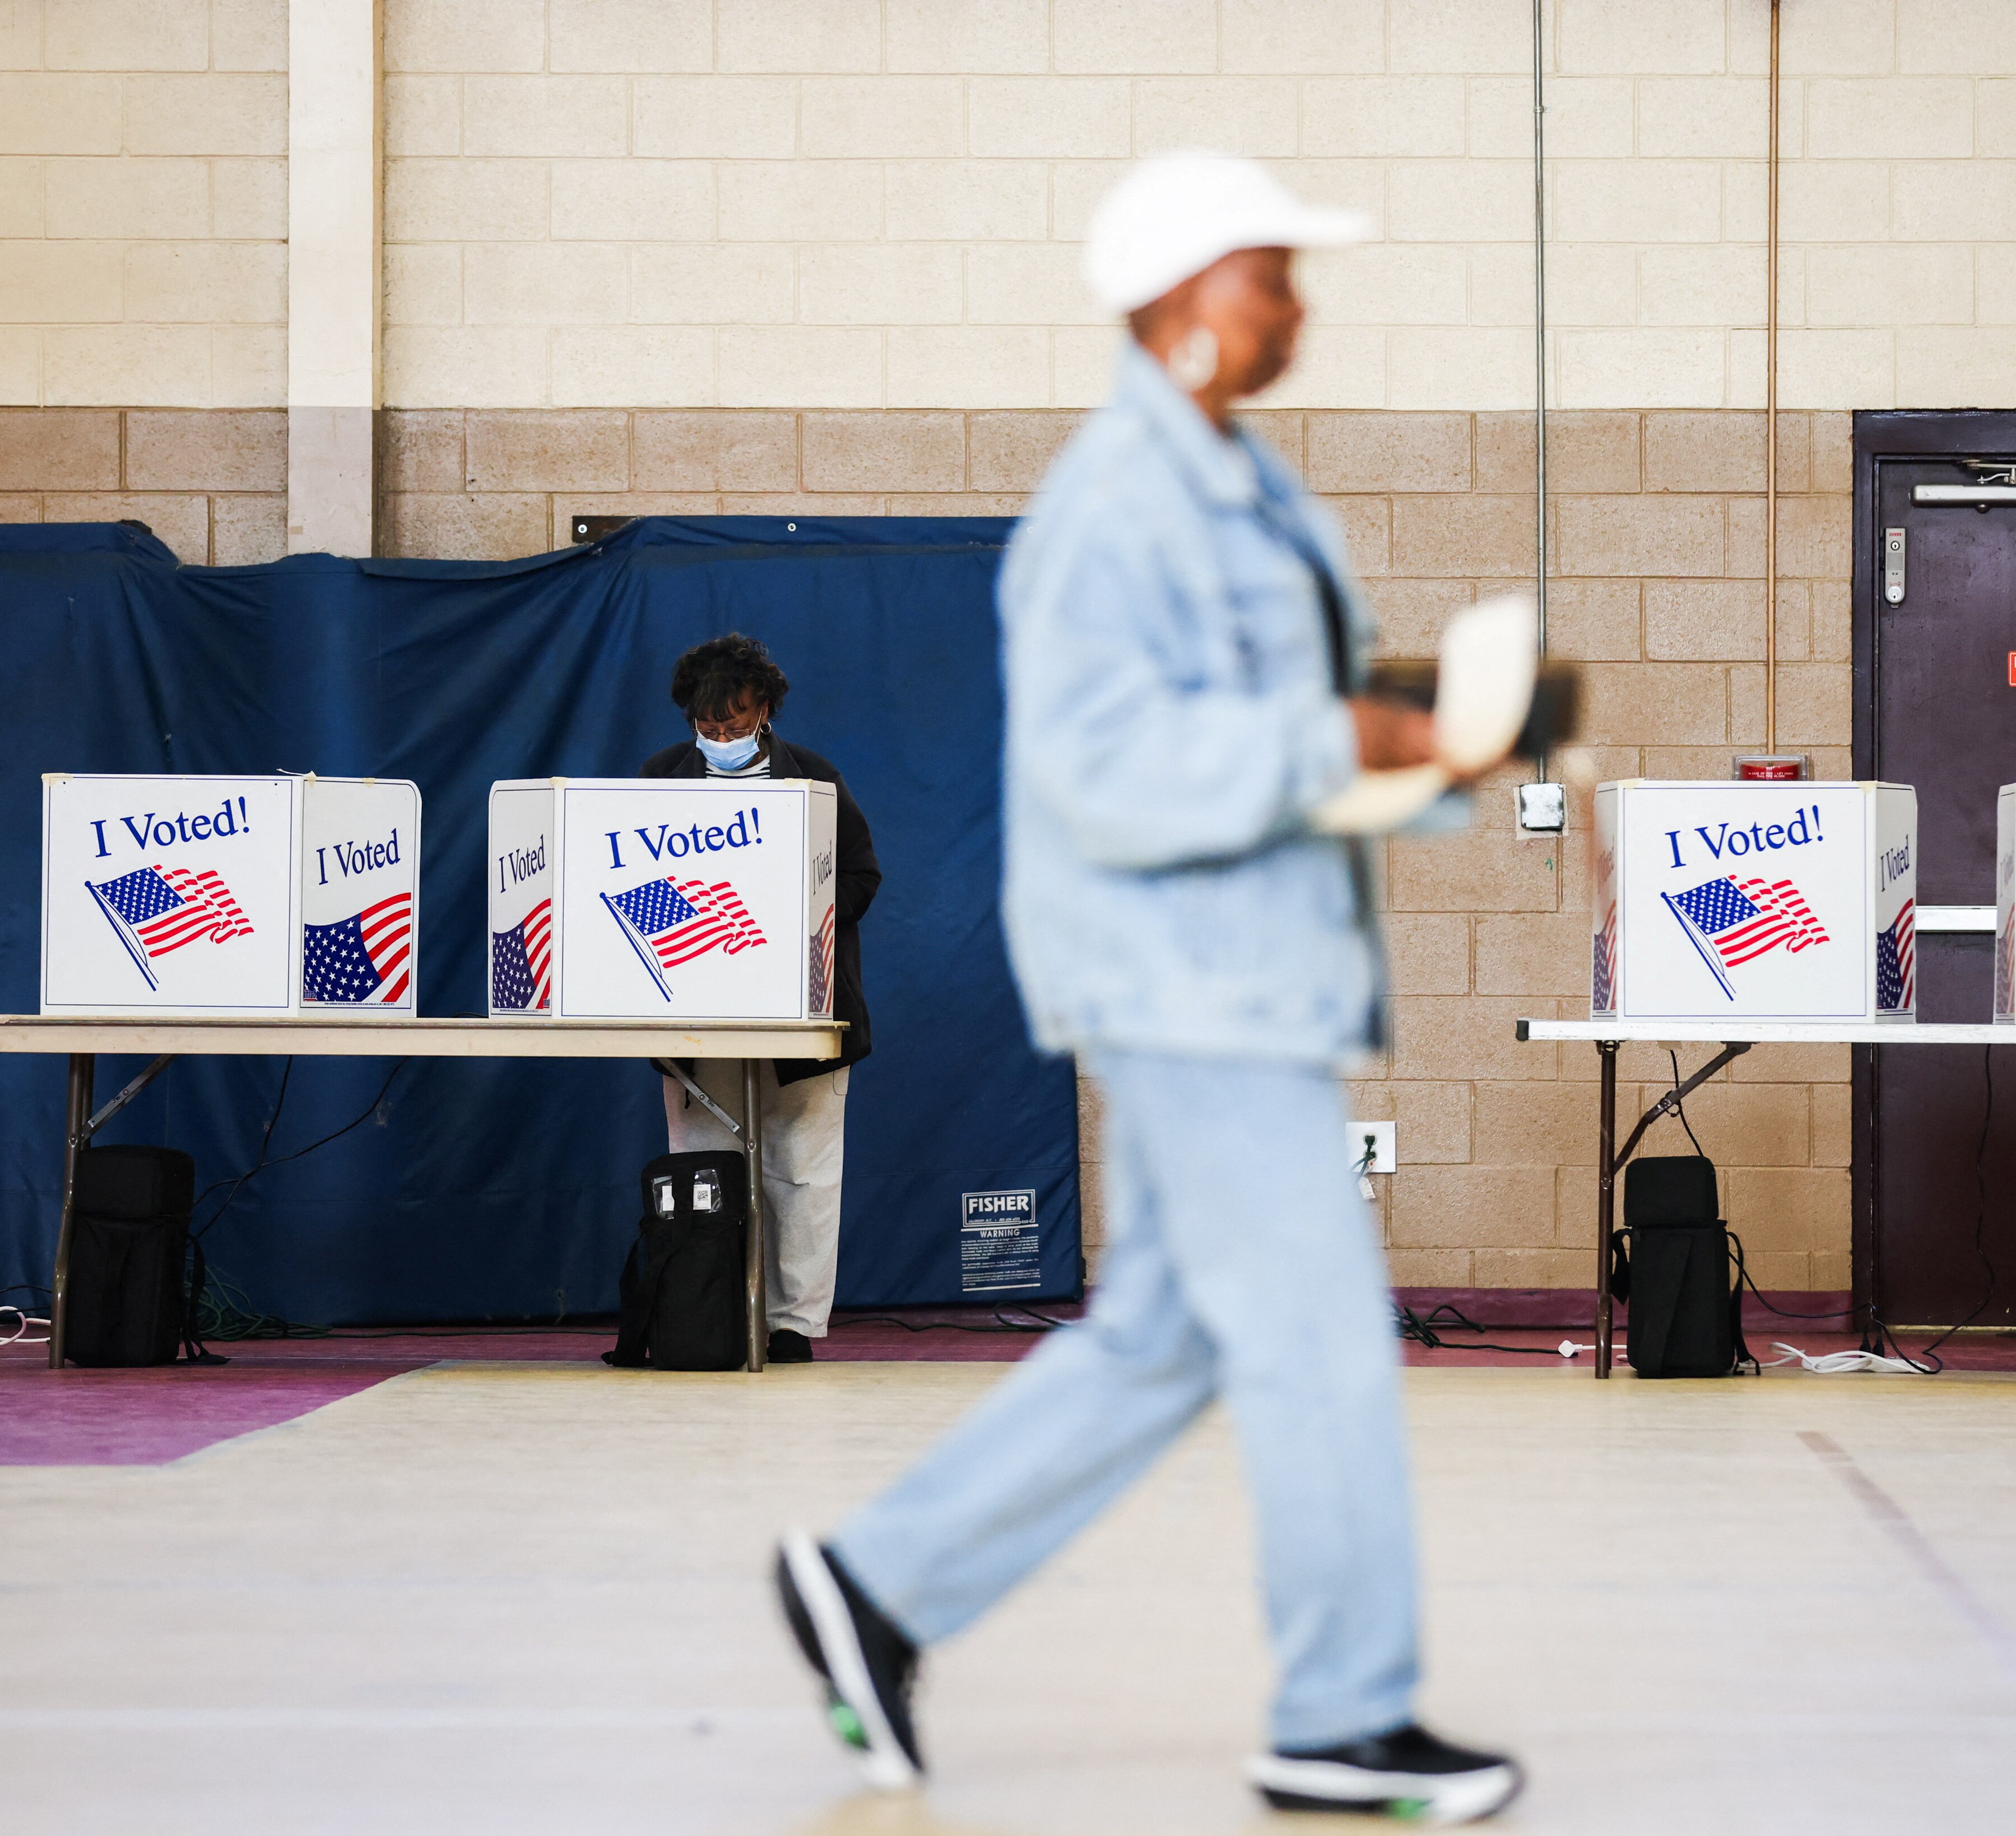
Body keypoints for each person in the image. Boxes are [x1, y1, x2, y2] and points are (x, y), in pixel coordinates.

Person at [773, 152, 1522, 1824]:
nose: (1299, 307)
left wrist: (1466, 742)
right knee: (1326, 1339)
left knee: (1167, 1341)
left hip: (1249, 975)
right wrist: (1353, 736)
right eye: (1274, 276)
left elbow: (1289, 731)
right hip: (1192, 988)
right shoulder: (1119, 501)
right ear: (1186, 303)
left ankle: (878, 1584)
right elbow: (1111, 764)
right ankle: (1341, 1713)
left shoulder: (1239, 486)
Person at [641, 632, 880, 1364]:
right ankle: (708, 1310)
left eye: (735, 722)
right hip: (694, 1006)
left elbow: (861, 875)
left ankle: (793, 1324)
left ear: (766, 709)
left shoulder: (813, 778)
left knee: (802, 1168)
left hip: (803, 1005)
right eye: (707, 728)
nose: (720, 737)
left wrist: (796, 917)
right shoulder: (659, 780)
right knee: (704, 1164)